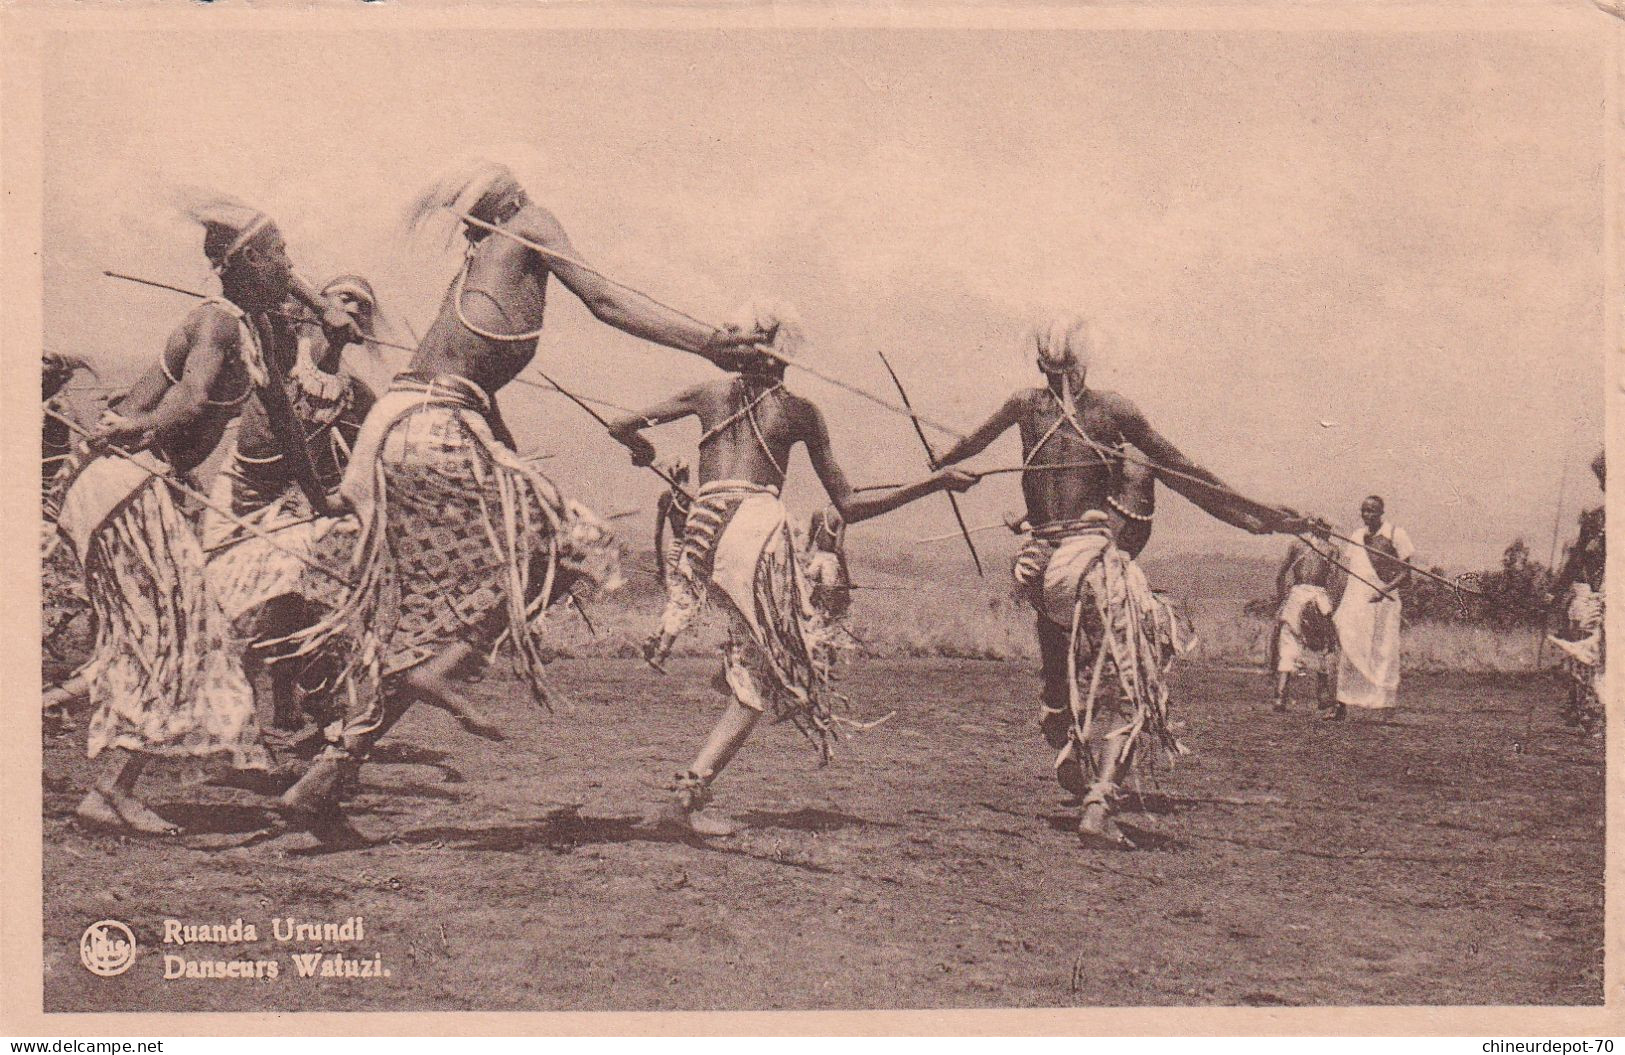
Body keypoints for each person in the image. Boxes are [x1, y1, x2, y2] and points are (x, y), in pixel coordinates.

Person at [275, 160, 770, 825]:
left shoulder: (479, 268)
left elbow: (471, 389)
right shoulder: (529, 224)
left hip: (400, 431)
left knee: (451, 603)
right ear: (511, 205)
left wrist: (507, 462)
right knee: (576, 547)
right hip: (436, 422)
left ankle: (332, 769)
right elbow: (607, 300)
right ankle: (440, 669)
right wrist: (708, 342)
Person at [931, 315, 1310, 848]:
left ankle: (1063, 724)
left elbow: (966, 447)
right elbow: (1186, 470)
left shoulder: (1024, 403)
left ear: (1041, 364)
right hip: (1086, 561)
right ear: (1084, 360)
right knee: (1139, 684)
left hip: (1037, 568)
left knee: (1077, 659)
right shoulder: (1113, 411)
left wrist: (940, 467)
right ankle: (1099, 800)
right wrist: (1263, 515)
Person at [608, 301, 978, 836]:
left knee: (756, 660)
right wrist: (934, 483)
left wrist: (644, 450)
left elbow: (621, 425)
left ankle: (697, 767)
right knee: (767, 676)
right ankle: (685, 798)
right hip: (753, 529)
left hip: (704, 526)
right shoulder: (799, 411)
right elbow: (848, 505)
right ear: (782, 361)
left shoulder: (706, 394)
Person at [51, 196, 354, 834]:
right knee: (175, 633)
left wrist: (324, 500)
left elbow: (293, 431)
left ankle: (108, 789)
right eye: (276, 253)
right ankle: (110, 791)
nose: (289, 263)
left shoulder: (261, 332)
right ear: (243, 267)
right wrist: (135, 427)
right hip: (123, 482)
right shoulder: (217, 323)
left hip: (138, 482)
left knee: (177, 631)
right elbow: (188, 402)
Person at [202, 274, 378, 743]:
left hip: (295, 501)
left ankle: (305, 710)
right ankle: (230, 727)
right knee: (224, 611)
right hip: (240, 495)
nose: (353, 309)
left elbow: (361, 455)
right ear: (319, 308)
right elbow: (264, 443)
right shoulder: (281, 350)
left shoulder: (354, 393)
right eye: (344, 298)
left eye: (362, 305)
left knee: (308, 601)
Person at [1331, 495, 1414, 718]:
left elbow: (1406, 574)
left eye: (1373, 511)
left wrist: (1383, 590)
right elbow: (1350, 573)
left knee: (1384, 650)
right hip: (1357, 601)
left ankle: (1386, 707)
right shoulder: (1357, 536)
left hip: (1385, 602)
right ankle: (1341, 705)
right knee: (1350, 648)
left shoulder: (1396, 534)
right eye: (1364, 510)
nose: (1368, 515)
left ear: (1381, 513)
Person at [1548, 451, 1605, 735]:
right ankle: (1587, 711)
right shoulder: (1595, 520)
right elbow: (1576, 561)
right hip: (1597, 596)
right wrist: (1555, 591)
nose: (1603, 484)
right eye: (1601, 479)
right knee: (1586, 647)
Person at [1269, 541, 1339, 715]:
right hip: (1306, 597)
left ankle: (1284, 696)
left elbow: (1281, 576)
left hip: (1309, 598)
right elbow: (1335, 580)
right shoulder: (1315, 547)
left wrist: (1281, 600)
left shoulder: (1324, 548)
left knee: (1308, 645)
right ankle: (1286, 695)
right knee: (1316, 645)